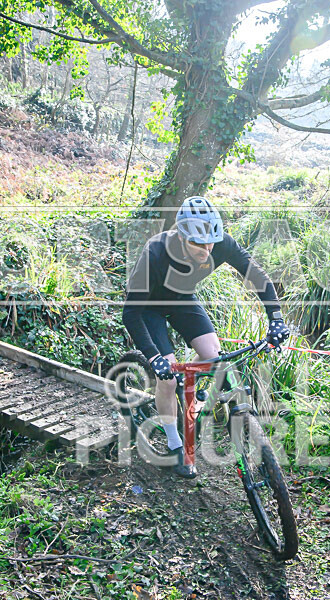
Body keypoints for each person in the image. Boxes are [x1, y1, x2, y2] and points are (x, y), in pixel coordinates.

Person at [122, 196, 289, 478]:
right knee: (167, 378)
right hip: (148, 307)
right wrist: (154, 358)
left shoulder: (221, 243)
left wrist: (276, 319)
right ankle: (175, 444)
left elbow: (258, 276)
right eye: (198, 244)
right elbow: (131, 313)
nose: (207, 249)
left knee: (213, 356)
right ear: (181, 236)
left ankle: (190, 388)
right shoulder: (156, 251)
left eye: (210, 242)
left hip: (182, 298)